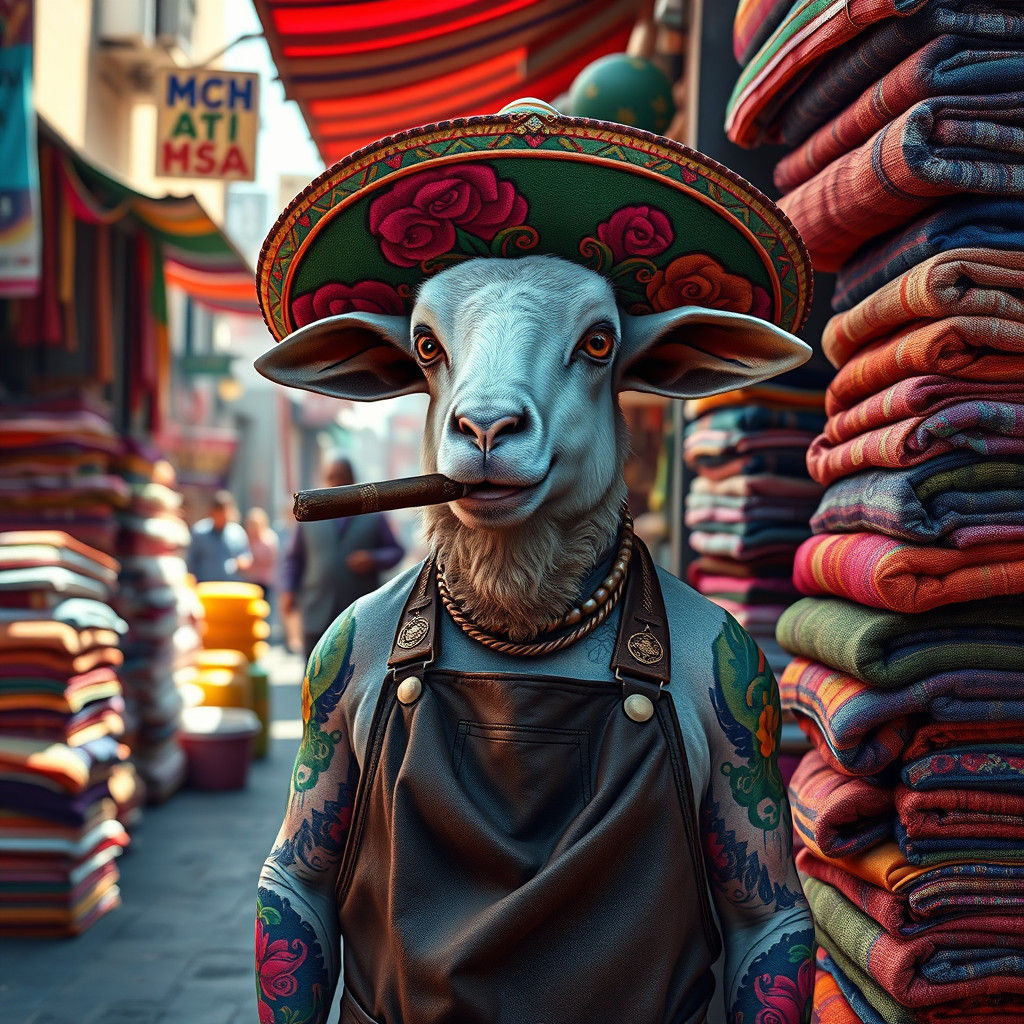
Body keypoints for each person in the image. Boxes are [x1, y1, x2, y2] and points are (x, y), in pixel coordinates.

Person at [279, 456, 404, 659]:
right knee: (313, 678)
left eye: (342, 477)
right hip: (316, 611)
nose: (336, 483)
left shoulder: (373, 516)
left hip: (358, 615)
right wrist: (288, 590)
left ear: (352, 479)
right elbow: (294, 558)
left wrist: (373, 558)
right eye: (331, 478)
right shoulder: (309, 515)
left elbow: (396, 551)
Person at [186, 490, 251, 583]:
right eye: (221, 513)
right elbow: (191, 561)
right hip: (206, 589)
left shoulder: (237, 533)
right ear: (213, 512)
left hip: (231, 588)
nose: (225, 517)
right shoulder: (200, 532)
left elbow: (245, 555)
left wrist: (242, 562)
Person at [243, 507, 279, 605]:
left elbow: (270, 558)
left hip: (264, 583)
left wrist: (253, 557)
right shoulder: (246, 538)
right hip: (249, 581)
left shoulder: (269, 539)